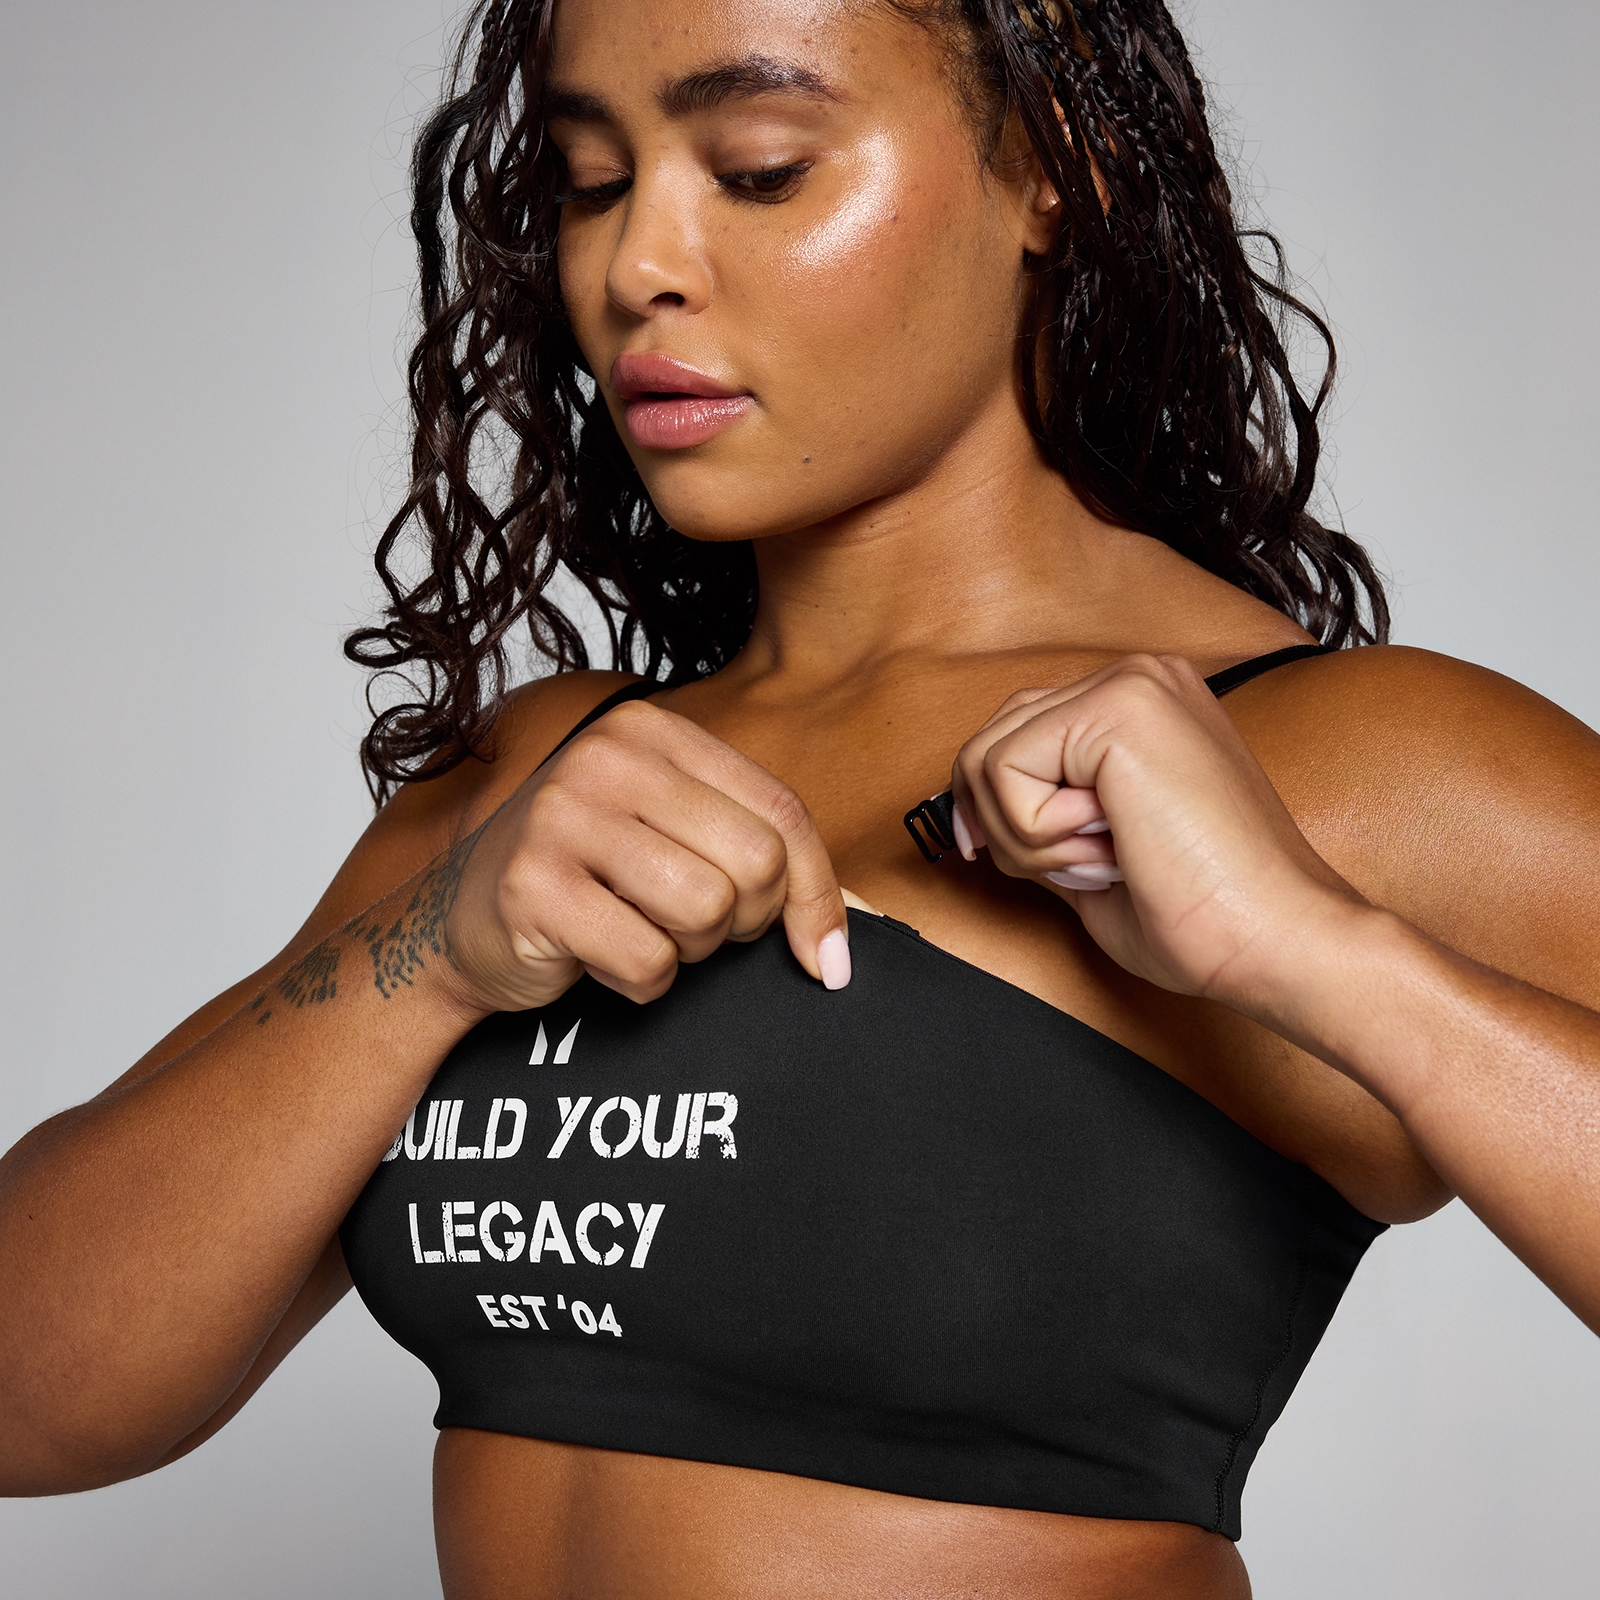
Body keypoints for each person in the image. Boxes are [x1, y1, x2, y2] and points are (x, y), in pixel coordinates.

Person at [2, 1, 1597, 1597]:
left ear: (1054, 164)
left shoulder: (1341, 761)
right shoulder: (552, 782)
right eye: (590, 178)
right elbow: (30, 1391)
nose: (635, 264)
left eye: (760, 168)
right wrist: (431, 959)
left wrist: (1312, 952)